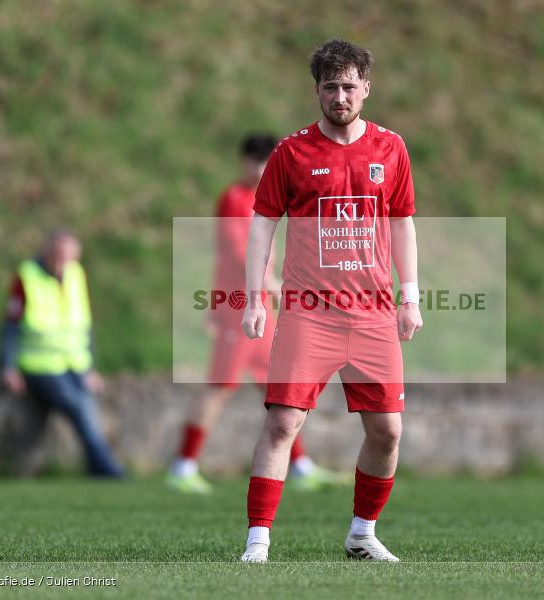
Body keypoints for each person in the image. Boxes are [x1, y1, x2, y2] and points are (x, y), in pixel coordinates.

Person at [239, 39, 423, 562]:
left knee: (388, 430)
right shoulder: (292, 153)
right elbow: (261, 225)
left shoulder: (391, 148)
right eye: (329, 87)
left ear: (366, 87)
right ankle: (258, 544)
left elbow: (402, 223)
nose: (340, 97)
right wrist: (255, 296)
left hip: (372, 313)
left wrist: (409, 298)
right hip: (308, 313)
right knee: (281, 423)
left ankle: (362, 534)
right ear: (316, 91)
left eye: (348, 86)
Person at [167, 134, 348, 494]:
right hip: (238, 306)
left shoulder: (266, 197)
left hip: (259, 307)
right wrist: (277, 285)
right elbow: (242, 252)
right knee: (219, 387)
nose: (262, 169)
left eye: (268, 162)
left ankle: (299, 466)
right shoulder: (234, 199)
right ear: (245, 162)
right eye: (256, 161)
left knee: (278, 389)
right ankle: (183, 466)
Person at [0, 230, 123, 478]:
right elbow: (10, 326)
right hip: (40, 366)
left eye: (67, 257)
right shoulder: (27, 276)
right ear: (46, 251)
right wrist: (8, 366)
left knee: (88, 408)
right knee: (79, 406)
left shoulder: (76, 275)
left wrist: (91, 367)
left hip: (75, 365)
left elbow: (84, 326)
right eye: (57, 255)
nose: (61, 262)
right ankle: (105, 467)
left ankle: (97, 466)